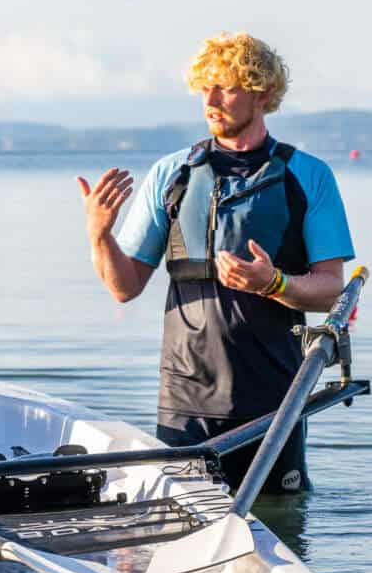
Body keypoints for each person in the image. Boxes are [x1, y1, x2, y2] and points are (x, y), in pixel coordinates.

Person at [76, 32, 354, 497]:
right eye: (203, 87)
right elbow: (123, 287)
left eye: (224, 86)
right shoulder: (173, 174)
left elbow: (331, 290)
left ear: (261, 93)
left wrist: (275, 283)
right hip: (187, 403)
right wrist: (99, 235)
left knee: (281, 534)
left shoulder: (307, 176)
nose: (209, 100)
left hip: (275, 400)